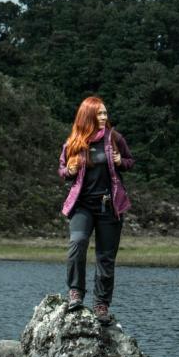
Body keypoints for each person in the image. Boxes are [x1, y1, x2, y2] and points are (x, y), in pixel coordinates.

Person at [58, 95, 134, 323]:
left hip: (109, 206)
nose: (104, 117)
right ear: (88, 115)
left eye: (105, 113)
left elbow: (130, 162)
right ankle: (75, 293)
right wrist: (68, 170)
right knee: (77, 244)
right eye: (99, 113)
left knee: (105, 257)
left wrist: (121, 161)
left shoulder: (114, 139)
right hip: (82, 206)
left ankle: (101, 305)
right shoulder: (74, 141)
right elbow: (62, 170)